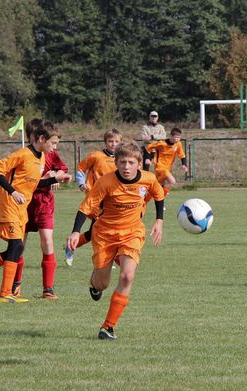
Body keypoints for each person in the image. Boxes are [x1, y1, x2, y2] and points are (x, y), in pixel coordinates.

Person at [0, 120, 69, 303]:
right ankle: (4, 293)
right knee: (16, 246)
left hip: (21, 209)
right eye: (53, 143)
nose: (55, 147)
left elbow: (34, 184)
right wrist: (13, 192)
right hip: (9, 205)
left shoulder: (41, 158)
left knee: (16, 249)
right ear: (41, 139)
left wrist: (55, 179)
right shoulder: (22, 154)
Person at [66, 140, 165, 340]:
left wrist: (159, 221)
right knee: (102, 284)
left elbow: (159, 195)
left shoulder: (148, 179)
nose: (126, 167)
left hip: (132, 233)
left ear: (139, 163)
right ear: (116, 163)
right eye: (122, 162)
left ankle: (108, 327)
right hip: (104, 234)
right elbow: (86, 207)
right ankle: (94, 283)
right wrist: (76, 232)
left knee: (127, 276)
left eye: (130, 163)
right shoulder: (106, 182)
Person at [12, 118, 71, 300]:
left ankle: (48, 289)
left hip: (44, 202)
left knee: (47, 240)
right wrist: (47, 178)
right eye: (32, 136)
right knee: (19, 244)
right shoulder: (23, 155)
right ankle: (15, 284)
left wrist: (57, 175)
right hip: (24, 203)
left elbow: (62, 169)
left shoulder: (50, 153)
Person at [64, 128, 122, 266]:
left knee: (94, 232)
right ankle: (105, 258)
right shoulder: (96, 156)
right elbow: (80, 168)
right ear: (105, 142)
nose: (113, 144)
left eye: (116, 141)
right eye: (110, 141)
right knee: (101, 231)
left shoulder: (121, 159)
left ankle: (71, 245)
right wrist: (81, 183)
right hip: (95, 197)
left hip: (111, 200)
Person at [145, 127, 188, 197]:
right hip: (159, 167)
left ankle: (149, 195)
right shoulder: (162, 143)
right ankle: (163, 191)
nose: (177, 139)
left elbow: (182, 155)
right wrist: (147, 158)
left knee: (158, 185)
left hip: (168, 168)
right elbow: (149, 147)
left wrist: (184, 165)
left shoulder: (178, 144)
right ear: (171, 136)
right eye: (176, 137)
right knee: (172, 181)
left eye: (179, 138)